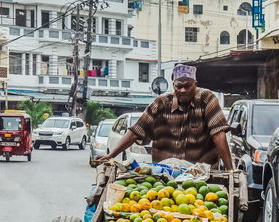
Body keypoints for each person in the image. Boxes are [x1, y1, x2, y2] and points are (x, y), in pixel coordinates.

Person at [98, 64, 234, 169]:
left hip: (201, 174)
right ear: (173, 86)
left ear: (195, 85)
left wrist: (230, 170)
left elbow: (218, 134)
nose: (183, 90)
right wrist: (111, 156)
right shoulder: (161, 103)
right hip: (166, 175)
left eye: (187, 86)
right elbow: (136, 131)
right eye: (179, 86)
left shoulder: (207, 99)